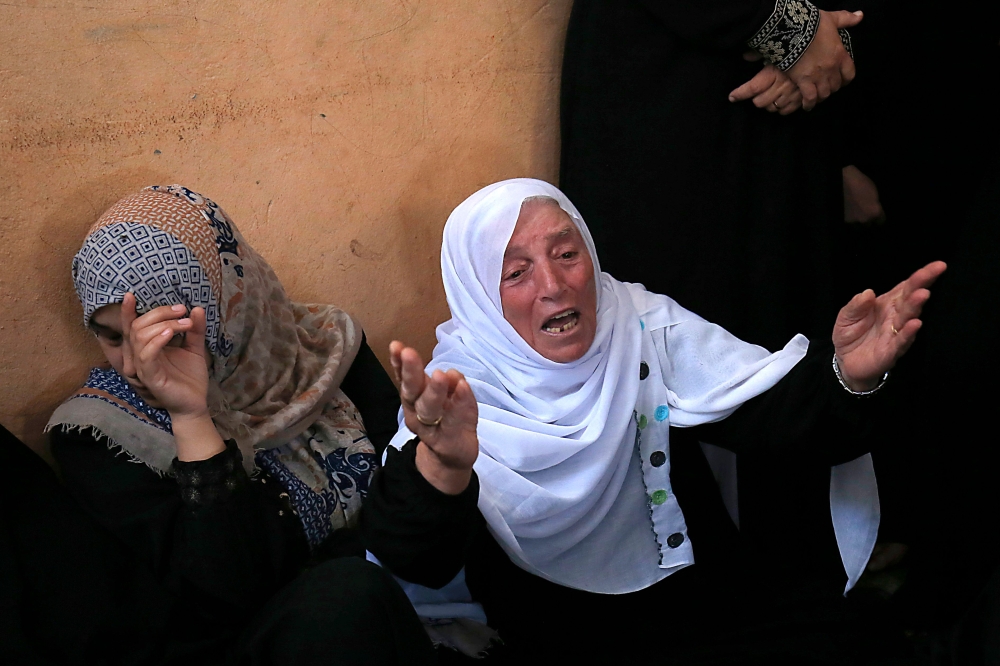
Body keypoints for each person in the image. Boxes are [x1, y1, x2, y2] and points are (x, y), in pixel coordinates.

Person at [362, 179, 945, 664]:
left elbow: (774, 415)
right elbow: (414, 557)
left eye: (567, 254)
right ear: (479, 297)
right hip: (569, 638)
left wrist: (848, 373)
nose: (555, 284)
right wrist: (444, 465)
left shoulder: (638, 323)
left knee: (859, 641)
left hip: (709, 606)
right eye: (516, 273)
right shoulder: (460, 391)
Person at [37, 185, 434, 664]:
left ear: (227, 307)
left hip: (403, 603)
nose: (135, 366)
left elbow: (415, 511)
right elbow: (227, 594)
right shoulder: (102, 435)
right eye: (110, 336)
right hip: (269, 644)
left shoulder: (322, 352)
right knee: (344, 601)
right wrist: (191, 417)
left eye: (167, 336)